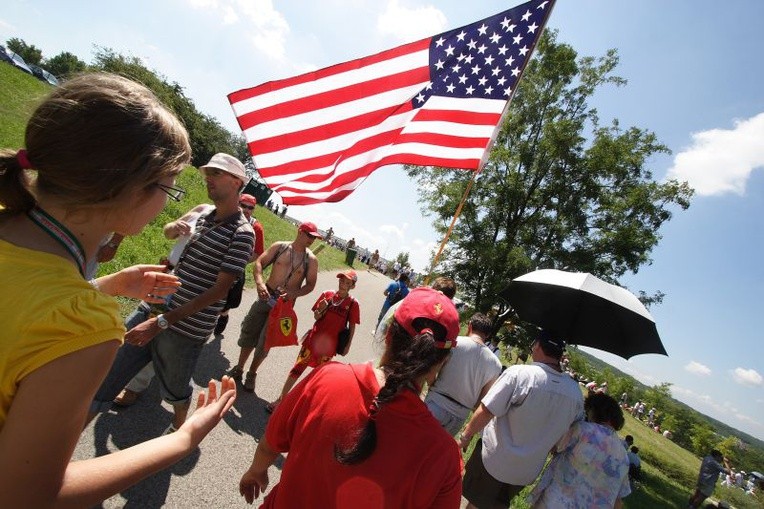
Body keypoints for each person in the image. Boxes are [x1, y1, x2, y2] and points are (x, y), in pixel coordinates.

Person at [0, 73, 237, 508]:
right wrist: (182, 440)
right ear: (130, 189)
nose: (168, 202)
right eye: (168, 187)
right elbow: (27, 496)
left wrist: (105, 285)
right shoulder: (81, 326)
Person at [238, 287, 463, 507]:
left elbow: (270, 444)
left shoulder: (326, 378)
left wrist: (256, 471)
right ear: (442, 361)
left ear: (388, 335)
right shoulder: (445, 458)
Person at [89, 152, 255, 433]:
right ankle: (67, 438)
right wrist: (172, 228)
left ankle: (180, 427)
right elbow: (172, 237)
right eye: (207, 173)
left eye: (216, 174)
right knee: (110, 372)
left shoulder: (242, 233)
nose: (208, 179)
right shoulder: (204, 213)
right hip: (154, 305)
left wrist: (164, 322)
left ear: (238, 182)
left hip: (186, 328)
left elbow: (219, 291)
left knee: (175, 387)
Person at [458, 331, 584, 508]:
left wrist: (465, 436)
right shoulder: (575, 394)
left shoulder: (520, 374)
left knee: (476, 504)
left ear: (537, 346)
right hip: (526, 472)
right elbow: (569, 434)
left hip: (495, 460)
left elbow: (487, 410)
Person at [227, 222, 321, 392]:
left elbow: (311, 285)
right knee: (250, 331)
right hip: (265, 296)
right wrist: (260, 283)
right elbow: (259, 263)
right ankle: (239, 368)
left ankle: (252, 374)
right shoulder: (280, 247)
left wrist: (295, 293)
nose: (312, 240)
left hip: (284, 305)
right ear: (300, 231)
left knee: (266, 342)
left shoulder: (311, 260)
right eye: (310, 235)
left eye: (315, 237)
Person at [266, 269, 360, 413]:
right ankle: (280, 401)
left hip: (329, 348)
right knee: (296, 370)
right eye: (341, 280)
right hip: (312, 341)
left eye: (347, 282)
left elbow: (352, 326)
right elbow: (316, 317)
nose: (342, 284)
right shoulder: (327, 295)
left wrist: (348, 345)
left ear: (352, 286)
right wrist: (320, 310)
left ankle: (302, 410)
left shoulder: (353, 304)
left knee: (317, 379)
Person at [528, 392, 631, 508]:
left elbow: (555, 447)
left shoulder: (582, 430)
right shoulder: (624, 456)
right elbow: (618, 497)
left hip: (556, 501)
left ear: (594, 411)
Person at [424, 312, 503, 436]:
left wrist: (432, 384)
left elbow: (431, 371)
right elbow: (480, 402)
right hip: (458, 416)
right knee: (434, 453)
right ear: (487, 335)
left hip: (436, 402)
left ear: (470, 326)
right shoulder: (496, 364)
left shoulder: (455, 343)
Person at [214, 193, 265, 335]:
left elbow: (257, 253)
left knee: (228, 299)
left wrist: (238, 260)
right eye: (243, 205)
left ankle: (223, 315)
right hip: (216, 261)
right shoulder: (226, 216)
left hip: (236, 267)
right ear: (238, 203)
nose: (246, 210)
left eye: (250, 207)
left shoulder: (256, 227)